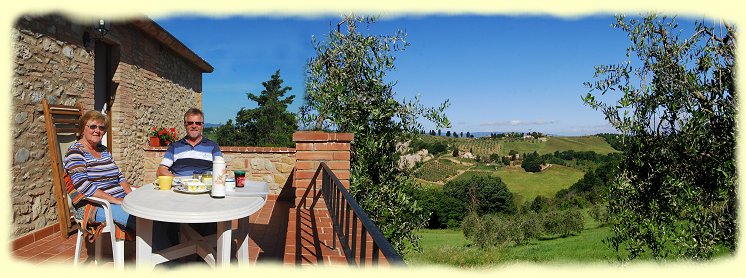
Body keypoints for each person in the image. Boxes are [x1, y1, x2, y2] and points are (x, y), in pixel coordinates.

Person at [64, 110, 135, 232]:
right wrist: (115, 200)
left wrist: (131, 195)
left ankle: (164, 249)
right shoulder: (76, 152)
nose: (97, 130)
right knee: (142, 220)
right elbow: (82, 185)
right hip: (95, 206)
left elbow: (119, 176)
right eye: (92, 126)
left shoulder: (103, 150)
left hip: (118, 200)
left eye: (101, 128)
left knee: (154, 216)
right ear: (82, 129)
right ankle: (157, 250)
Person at [157, 108, 222, 177]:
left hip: (205, 186)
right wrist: (178, 181)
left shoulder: (213, 146)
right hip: (180, 186)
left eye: (198, 123)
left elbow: (221, 169)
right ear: (185, 125)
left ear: (202, 126)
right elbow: (161, 170)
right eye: (190, 123)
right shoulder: (174, 147)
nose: (194, 126)